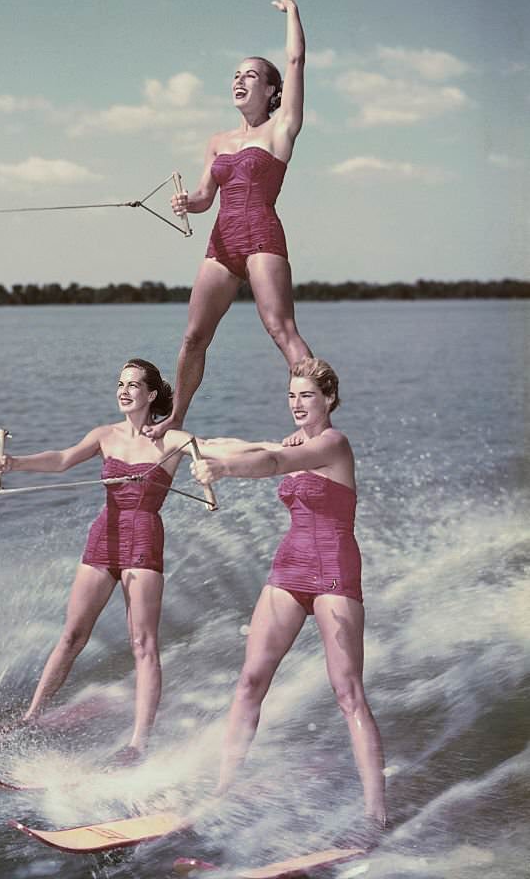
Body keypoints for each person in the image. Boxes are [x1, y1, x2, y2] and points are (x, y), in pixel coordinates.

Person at [190, 357, 387, 833]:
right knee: (250, 681)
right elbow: (257, 447)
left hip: (334, 572)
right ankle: (224, 788)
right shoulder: (296, 441)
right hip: (288, 570)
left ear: (330, 400)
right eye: (292, 396)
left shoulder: (335, 444)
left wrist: (225, 470)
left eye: (308, 396)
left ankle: (376, 814)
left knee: (348, 693)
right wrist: (181, 440)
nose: (298, 404)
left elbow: (275, 462)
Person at [0, 358, 193, 765]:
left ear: (150, 394)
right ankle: (32, 717)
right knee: (71, 637)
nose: (123, 390)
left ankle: (138, 743)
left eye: (133, 385)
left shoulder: (171, 440)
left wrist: (217, 465)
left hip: (142, 542)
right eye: (120, 383)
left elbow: (218, 450)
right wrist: (15, 464)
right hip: (104, 537)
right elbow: (62, 459)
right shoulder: (105, 435)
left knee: (143, 644)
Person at [146, 0, 311, 441]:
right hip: (221, 243)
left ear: (273, 92)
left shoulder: (282, 129)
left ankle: (315, 422)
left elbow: (296, 60)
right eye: (236, 74)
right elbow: (202, 199)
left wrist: (292, 11)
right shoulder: (217, 141)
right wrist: (186, 203)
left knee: (281, 329)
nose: (239, 80)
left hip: (261, 236)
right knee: (193, 338)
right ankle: (176, 416)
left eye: (251, 75)